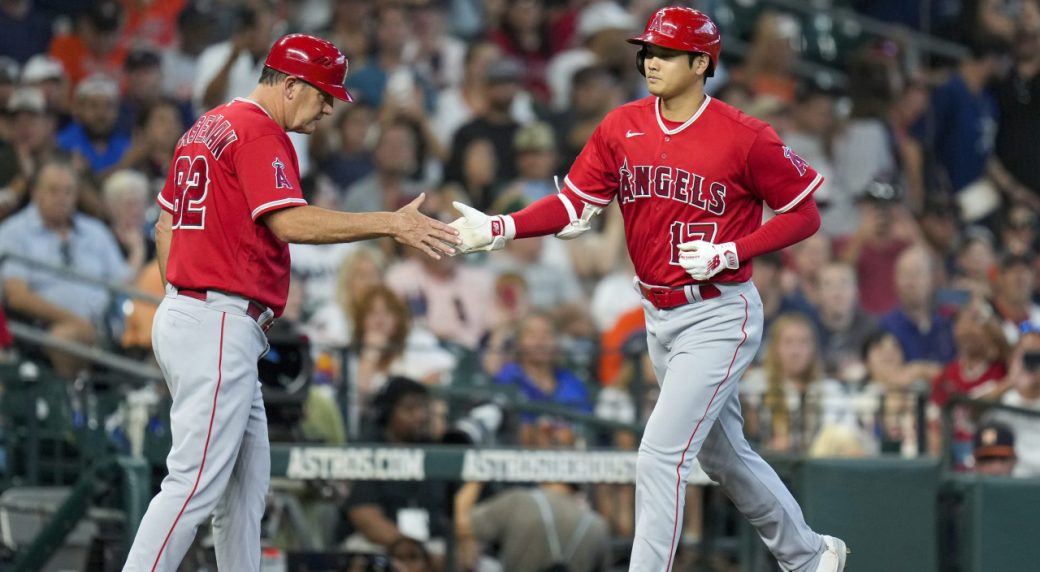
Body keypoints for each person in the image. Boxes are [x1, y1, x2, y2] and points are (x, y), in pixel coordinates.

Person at [448, 7, 847, 572]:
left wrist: (734, 250)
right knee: (725, 455)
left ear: (701, 62)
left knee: (660, 455)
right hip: (658, 314)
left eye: (664, 52)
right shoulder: (621, 125)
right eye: (647, 51)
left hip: (719, 314)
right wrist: (500, 226)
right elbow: (573, 204)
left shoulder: (746, 135)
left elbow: (803, 214)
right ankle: (809, 556)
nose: (650, 61)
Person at [122, 34, 459, 571]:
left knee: (244, 490)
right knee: (192, 486)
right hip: (215, 320)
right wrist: (389, 223)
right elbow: (289, 221)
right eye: (324, 94)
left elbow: (165, 222)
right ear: (291, 84)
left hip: (199, 314)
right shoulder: (258, 129)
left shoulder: (209, 123)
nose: (329, 106)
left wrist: (183, 293)